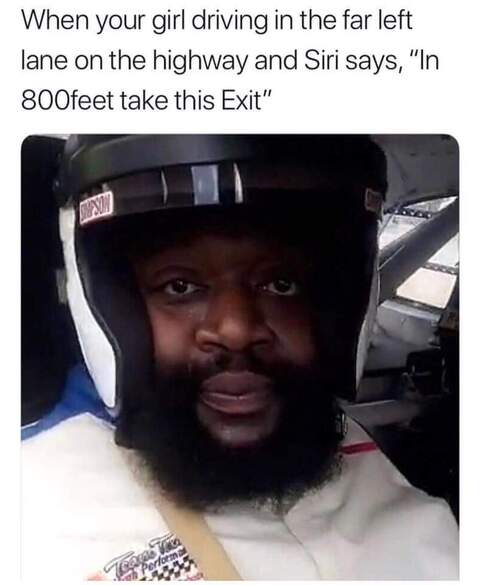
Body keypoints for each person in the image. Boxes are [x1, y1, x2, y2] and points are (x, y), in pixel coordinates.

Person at [22, 135, 458, 581]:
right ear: (113, 307)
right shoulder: (32, 515)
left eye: (281, 285)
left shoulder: (353, 456)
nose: (235, 329)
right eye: (180, 287)